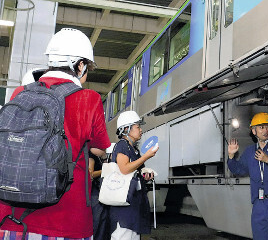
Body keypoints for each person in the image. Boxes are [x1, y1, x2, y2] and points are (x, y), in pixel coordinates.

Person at [0, 28, 111, 239]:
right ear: (80, 66)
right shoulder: (89, 99)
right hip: (66, 220)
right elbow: (99, 147)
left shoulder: (20, 93)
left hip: (11, 219)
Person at [227, 112, 268, 240]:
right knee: (259, 236)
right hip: (258, 203)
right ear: (254, 131)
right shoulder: (250, 152)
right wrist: (231, 156)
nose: (265, 130)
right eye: (261, 127)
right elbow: (238, 170)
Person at [109, 110, 159, 240]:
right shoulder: (122, 146)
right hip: (124, 208)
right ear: (126, 129)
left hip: (133, 205)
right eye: (138, 127)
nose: (141, 130)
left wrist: (145, 174)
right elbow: (124, 169)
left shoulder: (133, 148)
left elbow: (135, 171)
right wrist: (146, 157)